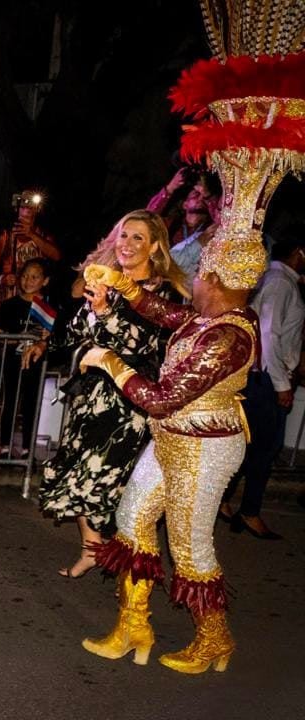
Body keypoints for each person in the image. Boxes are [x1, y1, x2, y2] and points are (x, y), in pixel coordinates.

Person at [78, 226, 264, 674]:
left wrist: (110, 362)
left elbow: (162, 398)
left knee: (190, 547)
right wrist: (122, 284)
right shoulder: (207, 318)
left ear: (216, 280)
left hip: (206, 452)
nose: (195, 278)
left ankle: (215, 638)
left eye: (201, 272)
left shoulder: (229, 337)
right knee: (132, 519)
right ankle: (133, 625)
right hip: (169, 440)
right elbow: (164, 312)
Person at [26, 209, 189, 578]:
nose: (128, 244)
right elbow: (73, 337)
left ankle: (127, 556)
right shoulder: (103, 283)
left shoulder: (163, 293)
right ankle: (93, 549)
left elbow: (142, 343)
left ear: (155, 247)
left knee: (106, 478)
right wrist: (62, 330)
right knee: (75, 471)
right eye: (123, 235)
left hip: (131, 400)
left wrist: (105, 315)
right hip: (92, 396)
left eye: (138, 238)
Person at [219, 232, 305, 539]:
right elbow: (267, 336)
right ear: (300, 252)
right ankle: (248, 511)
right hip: (266, 379)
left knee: (250, 446)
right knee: (264, 449)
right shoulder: (280, 283)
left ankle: (225, 502)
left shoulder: (278, 280)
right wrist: (282, 384)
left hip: (263, 377)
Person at [0, 258, 54, 458]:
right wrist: (12, 340)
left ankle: (28, 447)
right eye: (25, 276)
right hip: (12, 361)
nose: (28, 281)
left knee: (31, 403)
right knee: (10, 401)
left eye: (34, 277)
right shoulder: (10, 305)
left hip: (36, 363)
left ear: (44, 281)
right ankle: (4, 446)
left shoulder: (49, 308)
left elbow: (54, 334)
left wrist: (44, 340)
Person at [0, 189, 61, 309]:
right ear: (17, 208)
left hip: (35, 300)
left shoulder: (43, 236)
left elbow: (57, 256)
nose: (27, 211)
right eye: (23, 206)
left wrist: (31, 234)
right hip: (7, 299)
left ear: (38, 209)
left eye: (31, 207)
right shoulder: (3, 236)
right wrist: (2, 279)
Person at [148, 170, 221, 279]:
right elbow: (145, 218)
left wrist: (208, 195)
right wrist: (170, 188)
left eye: (203, 196)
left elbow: (226, 223)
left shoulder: (212, 228)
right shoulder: (170, 225)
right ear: (185, 204)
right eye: (196, 194)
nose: (201, 198)